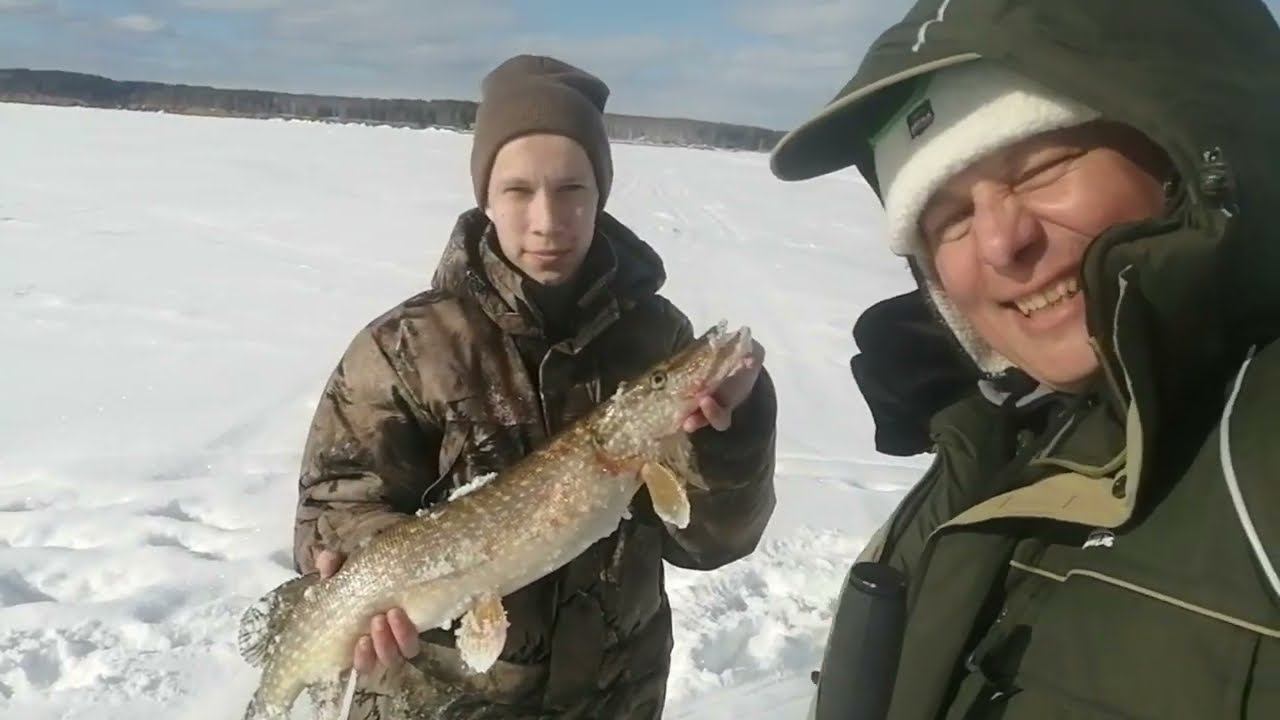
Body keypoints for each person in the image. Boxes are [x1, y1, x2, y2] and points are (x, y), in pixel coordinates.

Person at [769, 0, 1280, 717]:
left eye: (1043, 167)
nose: (1001, 243)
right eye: (948, 219)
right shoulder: (990, 449)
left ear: (1192, 154)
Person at [292, 55, 777, 719]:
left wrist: (731, 441)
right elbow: (335, 503)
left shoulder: (657, 337)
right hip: (443, 700)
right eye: (519, 191)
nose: (548, 220)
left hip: (615, 696)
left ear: (599, 191)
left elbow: (710, 543)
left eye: (572, 188)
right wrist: (356, 564)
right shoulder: (407, 347)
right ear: (485, 197)